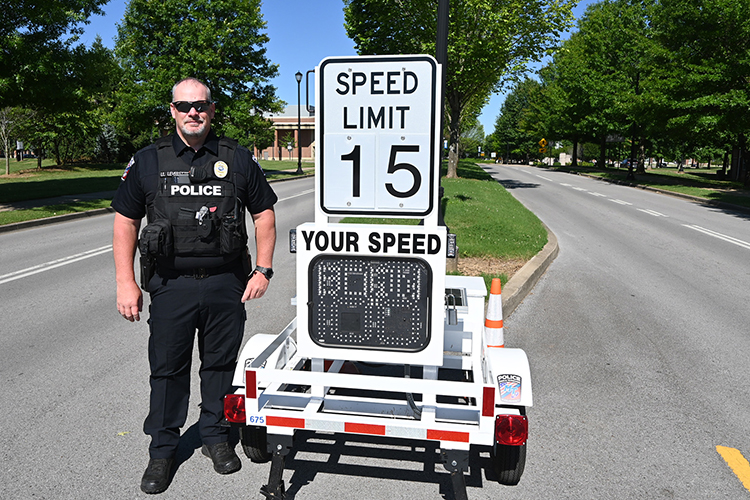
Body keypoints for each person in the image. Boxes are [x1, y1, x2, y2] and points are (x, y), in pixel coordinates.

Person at [112, 77, 277, 494]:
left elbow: (264, 214)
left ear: (212, 109)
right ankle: (163, 449)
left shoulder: (237, 159)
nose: (193, 112)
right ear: (172, 111)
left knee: (220, 365)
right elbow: (126, 222)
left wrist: (263, 269)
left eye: (200, 105)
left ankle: (216, 437)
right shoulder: (148, 161)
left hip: (226, 283)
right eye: (184, 105)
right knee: (168, 369)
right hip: (170, 284)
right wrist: (125, 281)